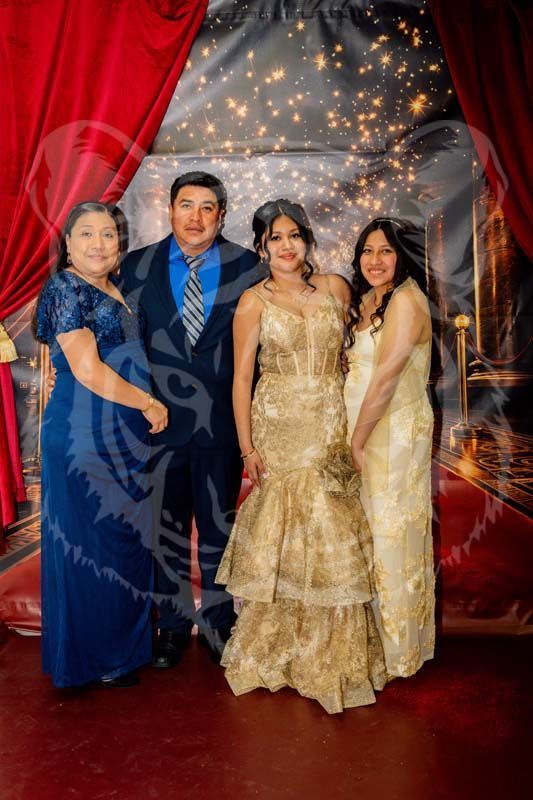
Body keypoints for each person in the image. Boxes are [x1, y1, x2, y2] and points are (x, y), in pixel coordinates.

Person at [216, 199, 386, 714]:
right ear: (262, 247)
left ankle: (333, 654)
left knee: (332, 526)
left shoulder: (337, 287)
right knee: (288, 532)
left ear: (306, 240)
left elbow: (360, 351)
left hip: (331, 419)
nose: (286, 246)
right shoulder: (251, 303)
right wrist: (247, 446)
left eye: (294, 235)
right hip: (279, 423)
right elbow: (242, 378)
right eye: (275, 238)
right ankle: (282, 649)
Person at [121, 172, 265, 667]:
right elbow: (125, 350)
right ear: (170, 210)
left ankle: (219, 623)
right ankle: (173, 625)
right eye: (187, 205)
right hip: (157, 426)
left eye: (208, 207)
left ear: (221, 215)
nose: (196, 217)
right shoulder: (135, 268)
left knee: (219, 527)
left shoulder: (249, 267)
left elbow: (261, 353)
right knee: (166, 530)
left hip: (222, 425)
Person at [34, 202, 168, 688]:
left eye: (108, 234)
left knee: (123, 541)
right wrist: (149, 403)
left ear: (120, 243)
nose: (97, 243)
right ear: (67, 243)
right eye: (85, 234)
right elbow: (88, 371)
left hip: (123, 432)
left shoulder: (114, 287)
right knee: (90, 543)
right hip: (85, 431)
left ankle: (121, 653)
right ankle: (89, 659)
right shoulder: (65, 287)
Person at [344, 217, 435, 679]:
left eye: (385, 251)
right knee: (371, 537)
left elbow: (385, 378)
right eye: (367, 251)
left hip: (392, 433)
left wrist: (357, 441)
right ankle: (375, 641)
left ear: (402, 255)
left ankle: (399, 650)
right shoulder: (367, 301)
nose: (375, 261)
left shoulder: (406, 301)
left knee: (392, 536)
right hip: (365, 429)